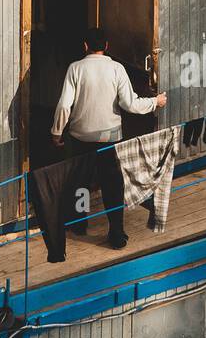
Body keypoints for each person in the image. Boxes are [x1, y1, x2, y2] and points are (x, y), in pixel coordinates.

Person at [51, 28, 167, 248]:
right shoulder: (117, 69)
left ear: (85, 46)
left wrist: (56, 133)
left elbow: (64, 105)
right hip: (109, 138)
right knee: (112, 186)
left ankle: (79, 224)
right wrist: (155, 102)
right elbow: (130, 104)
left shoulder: (75, 68)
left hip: (80, 137)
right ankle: (116, 233)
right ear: (106, 46)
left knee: (80, 183)